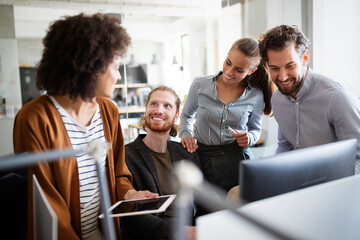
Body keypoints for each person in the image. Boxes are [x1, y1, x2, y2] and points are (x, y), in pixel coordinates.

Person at [13, 13, 158, 240]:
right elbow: (46, 202)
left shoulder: (109, 111)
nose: (119, 77)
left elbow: (118, 172)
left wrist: (127, 193)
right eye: (116, 67)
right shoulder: (34, 118)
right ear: (90, 67)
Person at [258, 25, 360, 174]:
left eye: (290, 66)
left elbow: (358, 158)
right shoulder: (277, 100)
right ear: (266, 65)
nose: (283, 77)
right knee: (236, 194)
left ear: (305, 58)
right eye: (274, 68)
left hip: (333, 183)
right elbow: (285, 146)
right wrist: (274, 174)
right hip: (296, 179)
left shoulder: (337, 97)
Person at [179, 38, 273, 193]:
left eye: (239, 70)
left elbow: (255, 130)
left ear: (251, 71)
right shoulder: (199, 85)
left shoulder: (255, 96)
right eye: (228, 62)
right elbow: (186, 115)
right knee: (206, 212)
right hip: (203, 158)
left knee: (238, 211)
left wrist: (249, 138)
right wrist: (186, 134)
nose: (229, 72)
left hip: (238, 159)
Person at [122, 86, 198, 240]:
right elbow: (128, 214)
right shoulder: (126, 155)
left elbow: (200, 201)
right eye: (154, 104)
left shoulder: (186, 153)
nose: (159, 110)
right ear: (146, 111)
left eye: (167, 106)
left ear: (176, 116)